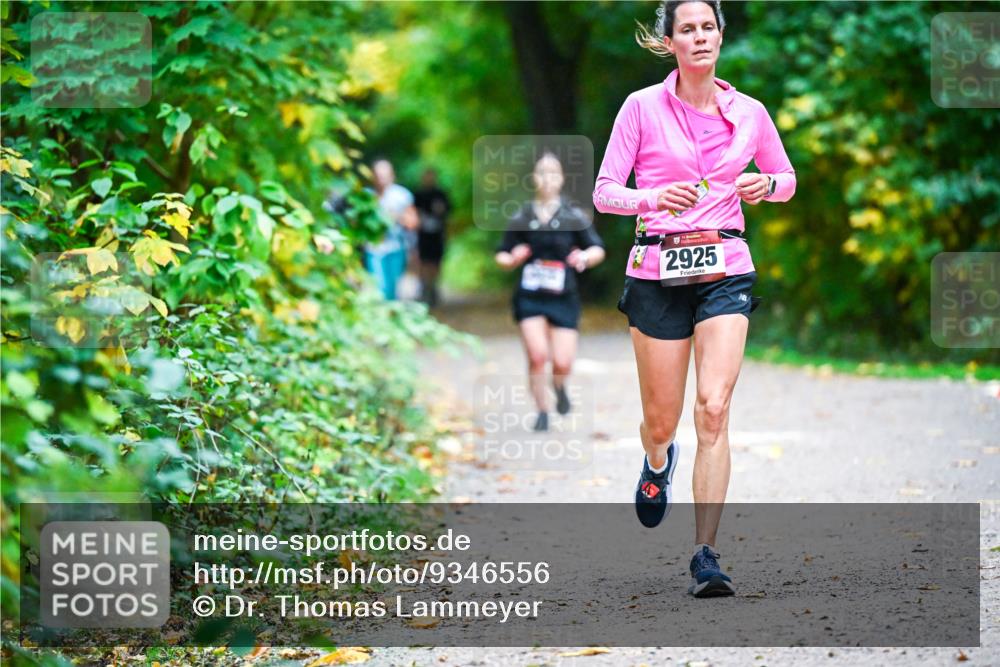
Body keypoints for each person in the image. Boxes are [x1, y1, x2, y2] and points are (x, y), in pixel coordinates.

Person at [592, 0, 795, 597]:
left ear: (720, 37)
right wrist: (653, 198)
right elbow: (606, 193)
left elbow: (785, 179)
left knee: (713, 407)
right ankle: (658, 464)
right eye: (688, 29)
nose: (700, 36)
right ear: (670, 41)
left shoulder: (750, 113)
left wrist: (767, 185)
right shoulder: (640, 108)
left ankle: (706, 552)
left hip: (725, 264)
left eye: (709, 27)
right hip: (657, 268)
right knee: (662, 420)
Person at [496, 153, 606, 432]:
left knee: (562, 362)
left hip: (563, 296)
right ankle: (542, 411)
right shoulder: (523, 215)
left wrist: (583, 257)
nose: (547, 178)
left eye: (553, 172)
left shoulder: (573, 215)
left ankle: (559, 385)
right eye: (542, 172)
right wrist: (513, 259)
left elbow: (597, 249)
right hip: (530, 296)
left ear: (561, 179)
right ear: (534, 178)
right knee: (537, 356)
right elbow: (501, 254)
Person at [364, 159, 419, 300]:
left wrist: (397, 218)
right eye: (378, 175)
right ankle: (382, 313)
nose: (381, 179)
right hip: (373, 248)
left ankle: (390, 313)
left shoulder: (402, 196)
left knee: (392, 287)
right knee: (378, 285)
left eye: (384, 175)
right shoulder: (365, 196)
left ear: (392, 176)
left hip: (396, 247)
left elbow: (414, 222)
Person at [413, 168, 451, 308]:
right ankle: (424, 287)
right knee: (423, 261)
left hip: (437, 235)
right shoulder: (418, 194)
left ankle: (433, 287)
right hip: (422, 235)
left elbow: (449, 211)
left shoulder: (440, 194)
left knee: (436, 262)